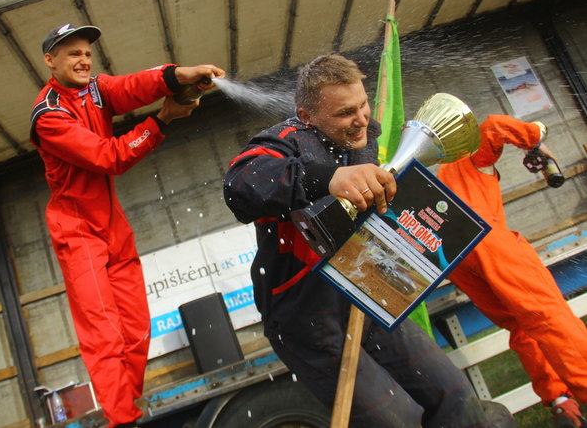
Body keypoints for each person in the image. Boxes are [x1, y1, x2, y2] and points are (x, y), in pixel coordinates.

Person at [223, 53, 514, 427]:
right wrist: (330, 179)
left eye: (362, 104)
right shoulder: (284, 141)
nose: (360, 119)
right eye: (345, 113)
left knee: (456, 398)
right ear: (308, 116)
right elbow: (240, 183)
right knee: (398, 421)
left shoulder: (365, 135)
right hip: (306, 316)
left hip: (368, 293)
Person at [29, 23, 224, 428]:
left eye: (86, 53)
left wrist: (179, 75)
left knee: (135, 332)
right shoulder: (48, 116)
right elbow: (109, 157)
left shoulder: (96, 89)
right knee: (104, 336)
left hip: (111, 221)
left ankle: (128, 408)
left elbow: (131, 87)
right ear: (50, 60)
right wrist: (163, 121)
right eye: (72, 54)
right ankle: (123, 421)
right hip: (76, 229)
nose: (83, 60)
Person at [437, 114, 587, 428]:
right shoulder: (469, 155)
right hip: (491, 246)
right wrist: (537, 135)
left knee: (522, 328)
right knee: (548, 315)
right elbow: (494, 125)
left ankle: (560, 400)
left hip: (457, 260)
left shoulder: (443, 173)